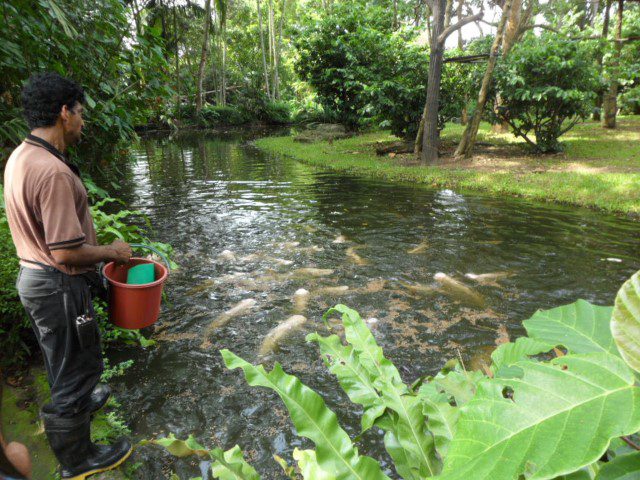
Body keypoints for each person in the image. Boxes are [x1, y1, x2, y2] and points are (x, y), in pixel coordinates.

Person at [3, 72, 133, 479]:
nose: (83, 122)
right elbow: (65, 250)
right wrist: (113, 252)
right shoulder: (54, 172)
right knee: (77, 368)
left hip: (36, 279)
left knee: (62, 358)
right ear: (64, 112)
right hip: (58, 284)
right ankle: (78, 460)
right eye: (80, 113)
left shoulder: (22, 155)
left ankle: (78, 402)